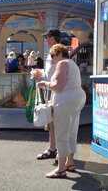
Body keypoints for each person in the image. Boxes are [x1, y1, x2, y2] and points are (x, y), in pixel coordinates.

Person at [38, 44, 86, 178]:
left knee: (62, 133)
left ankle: (60, 169)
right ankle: (70, 163)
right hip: (77, 98)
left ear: (59, 53)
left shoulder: (62, 63)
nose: (52, 59)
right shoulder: (72, 63)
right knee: (72, 130)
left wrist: (45, 84)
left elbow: (58, 87)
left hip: (65, 100)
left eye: (53, 56)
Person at [32, 30, 62, 161]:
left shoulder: (59, 52)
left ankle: (60, 152)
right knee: (51, 122)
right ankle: (53, 148)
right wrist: (41, 73)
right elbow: (50, 72)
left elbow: (57, 74)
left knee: (58, 122)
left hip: (57, 91)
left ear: (53, 38)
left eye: (47, 37)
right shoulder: (52, 53)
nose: (46, 39)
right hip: (51, 89)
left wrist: (42, 76)